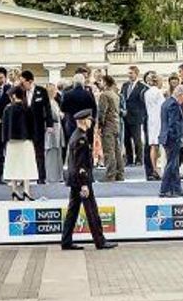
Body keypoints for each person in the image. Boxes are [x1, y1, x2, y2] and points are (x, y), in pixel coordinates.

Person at [60, 110, 117, 252]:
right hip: (81, 180)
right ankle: (100, 241)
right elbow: (80, 165)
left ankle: (66, 241)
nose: (91, 122)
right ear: (84, 121)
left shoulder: (76, 135)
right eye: (89, 120)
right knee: (91, 211)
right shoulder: (81, 139)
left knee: (73, 211)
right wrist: (84, 184)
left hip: (75, 180)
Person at [3, 84, 40, 201]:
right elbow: (32, 126)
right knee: (26, 165)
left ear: (14, 95)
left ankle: (14, 191)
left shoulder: (8, 109)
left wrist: (4, 140)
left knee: (13, 165)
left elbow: (5, 127)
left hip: (11, 141)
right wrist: (34, 139)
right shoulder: (27, 108)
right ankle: (26, 191)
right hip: (25, 140)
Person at [157, 84, 183, 196]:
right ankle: (164, 189)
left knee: (174, 164)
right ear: (180, 95)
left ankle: (176, 188)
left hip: (165, 137)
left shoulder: (166, 103)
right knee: (171, 164)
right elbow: (174, 124)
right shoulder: (174, 105)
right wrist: (179, 137)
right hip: (172, 138)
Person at [121, 65, 149, 172]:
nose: (129, 75)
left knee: (137, 139)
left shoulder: (142, 87)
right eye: (128, 73)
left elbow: (144, 102)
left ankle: (139, 159)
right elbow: (122, 98)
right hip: (125, 116)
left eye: (131, 73)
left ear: (136, 74)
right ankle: (129, 159)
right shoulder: (125, 85)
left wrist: (142, 114)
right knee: (126, 139)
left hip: (136, 116)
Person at [98, 75, 125, 181]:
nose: (100, 83)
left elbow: (102, 111)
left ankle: (110, 174)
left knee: (109, 150)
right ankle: (120, 173)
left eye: (101, 81)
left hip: (108, 125)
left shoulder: (104, 95)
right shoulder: (115, 95)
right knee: (117, 150)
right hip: (116, 124)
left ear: (105, 83)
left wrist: (100, 125)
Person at [144, 71, 166, 179]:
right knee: (160, 145)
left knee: (153, 145)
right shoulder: (158, 92)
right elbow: (163, 106)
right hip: (159, 119)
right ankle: (160, 168)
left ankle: (154, 168)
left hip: (151, 119)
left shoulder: (147, 93)